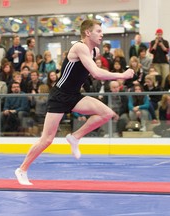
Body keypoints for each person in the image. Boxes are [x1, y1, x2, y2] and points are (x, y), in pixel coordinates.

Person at [15, 19, 134, 185]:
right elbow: (96, 73)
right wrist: (122, 75)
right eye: (98, 31)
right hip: (59, 96)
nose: (102, 34)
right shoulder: (79, 47)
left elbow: (90, 72)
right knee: (47, 139)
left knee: (106, 113)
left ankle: (75, 137)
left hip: (74, 95)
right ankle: (22, 169)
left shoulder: (95, 52)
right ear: (87, 33)